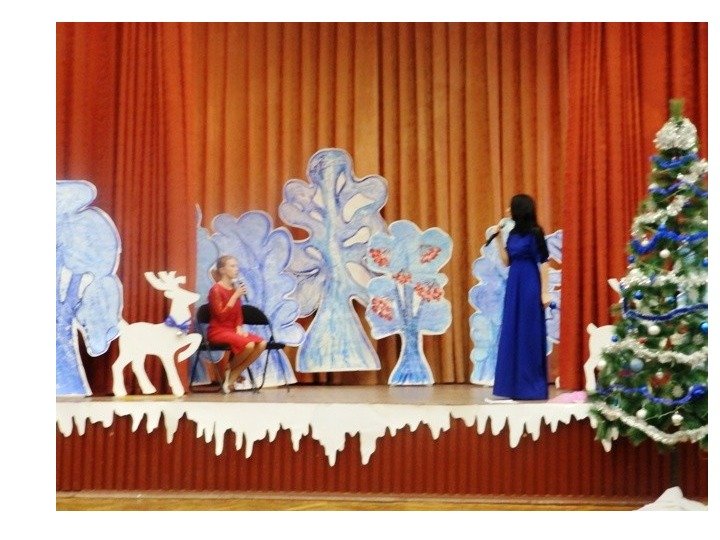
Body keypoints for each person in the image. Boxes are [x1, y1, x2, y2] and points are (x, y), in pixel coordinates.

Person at [490, 194, 551, 401]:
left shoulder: (536, 232)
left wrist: (544, 292)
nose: (507, 210)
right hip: (514, 285)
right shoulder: (513, 233)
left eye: (511, 207)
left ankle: (531, 387)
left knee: (528, 333)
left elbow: (544, 262)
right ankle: (510, 387)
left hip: (529, 284)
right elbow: (507, 261)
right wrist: (499, 239)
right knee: (512, 331)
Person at [207, 255, 267, 394]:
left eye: (236, 266)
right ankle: (228, 371)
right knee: (249, 345)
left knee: (262, 343)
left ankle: (233, 374)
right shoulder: (216, 290)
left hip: (232, 330)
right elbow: (221, 316)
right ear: (222, 270)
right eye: (232, 266)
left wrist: (239, 327)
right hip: (218, 330)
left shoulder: (234, 288)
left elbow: (238, 313)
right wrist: (235, 296)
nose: (236, 269)